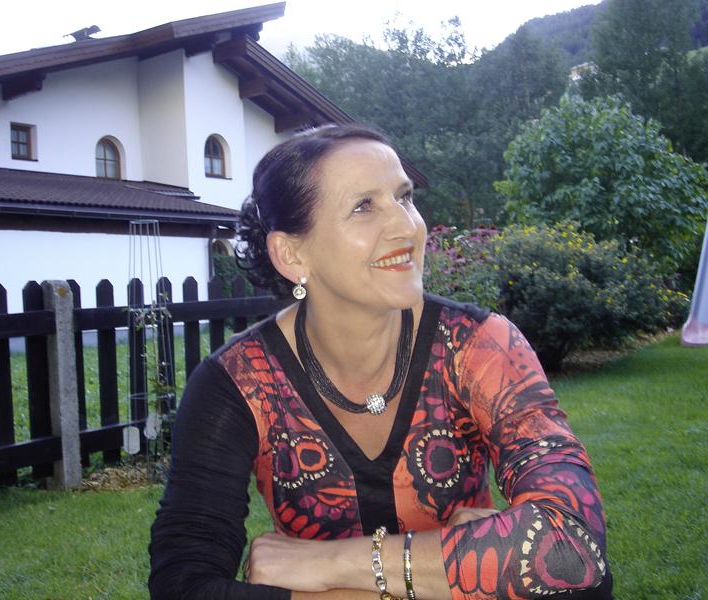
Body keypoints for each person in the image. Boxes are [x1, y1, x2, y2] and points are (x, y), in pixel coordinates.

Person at [149, 124, 612, 599]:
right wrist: (460, 573)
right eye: (364, 207)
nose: (408, 227)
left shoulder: (480, 347)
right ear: (292, 254)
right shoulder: (239, 383)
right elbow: (182, 585)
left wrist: (330, 565)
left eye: (404, 197)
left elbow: (573, 550)